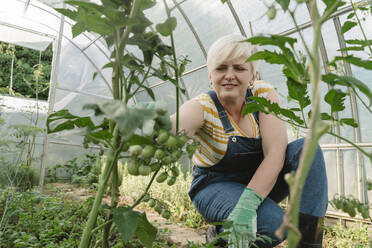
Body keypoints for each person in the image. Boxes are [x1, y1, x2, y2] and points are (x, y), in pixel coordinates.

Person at [170, 34, 328, 248]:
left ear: (253, 76)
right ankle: (221, 236)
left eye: (239, 68)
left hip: (260, 181)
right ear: (210, 76)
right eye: (221, 68)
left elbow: (275, 154)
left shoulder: (263, 95)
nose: (229, 75)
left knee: (307, 149)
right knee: (272, 226)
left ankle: (307, 245)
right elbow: (172, 126)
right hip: (214, 187)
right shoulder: (201, 107)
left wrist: (247, 205)